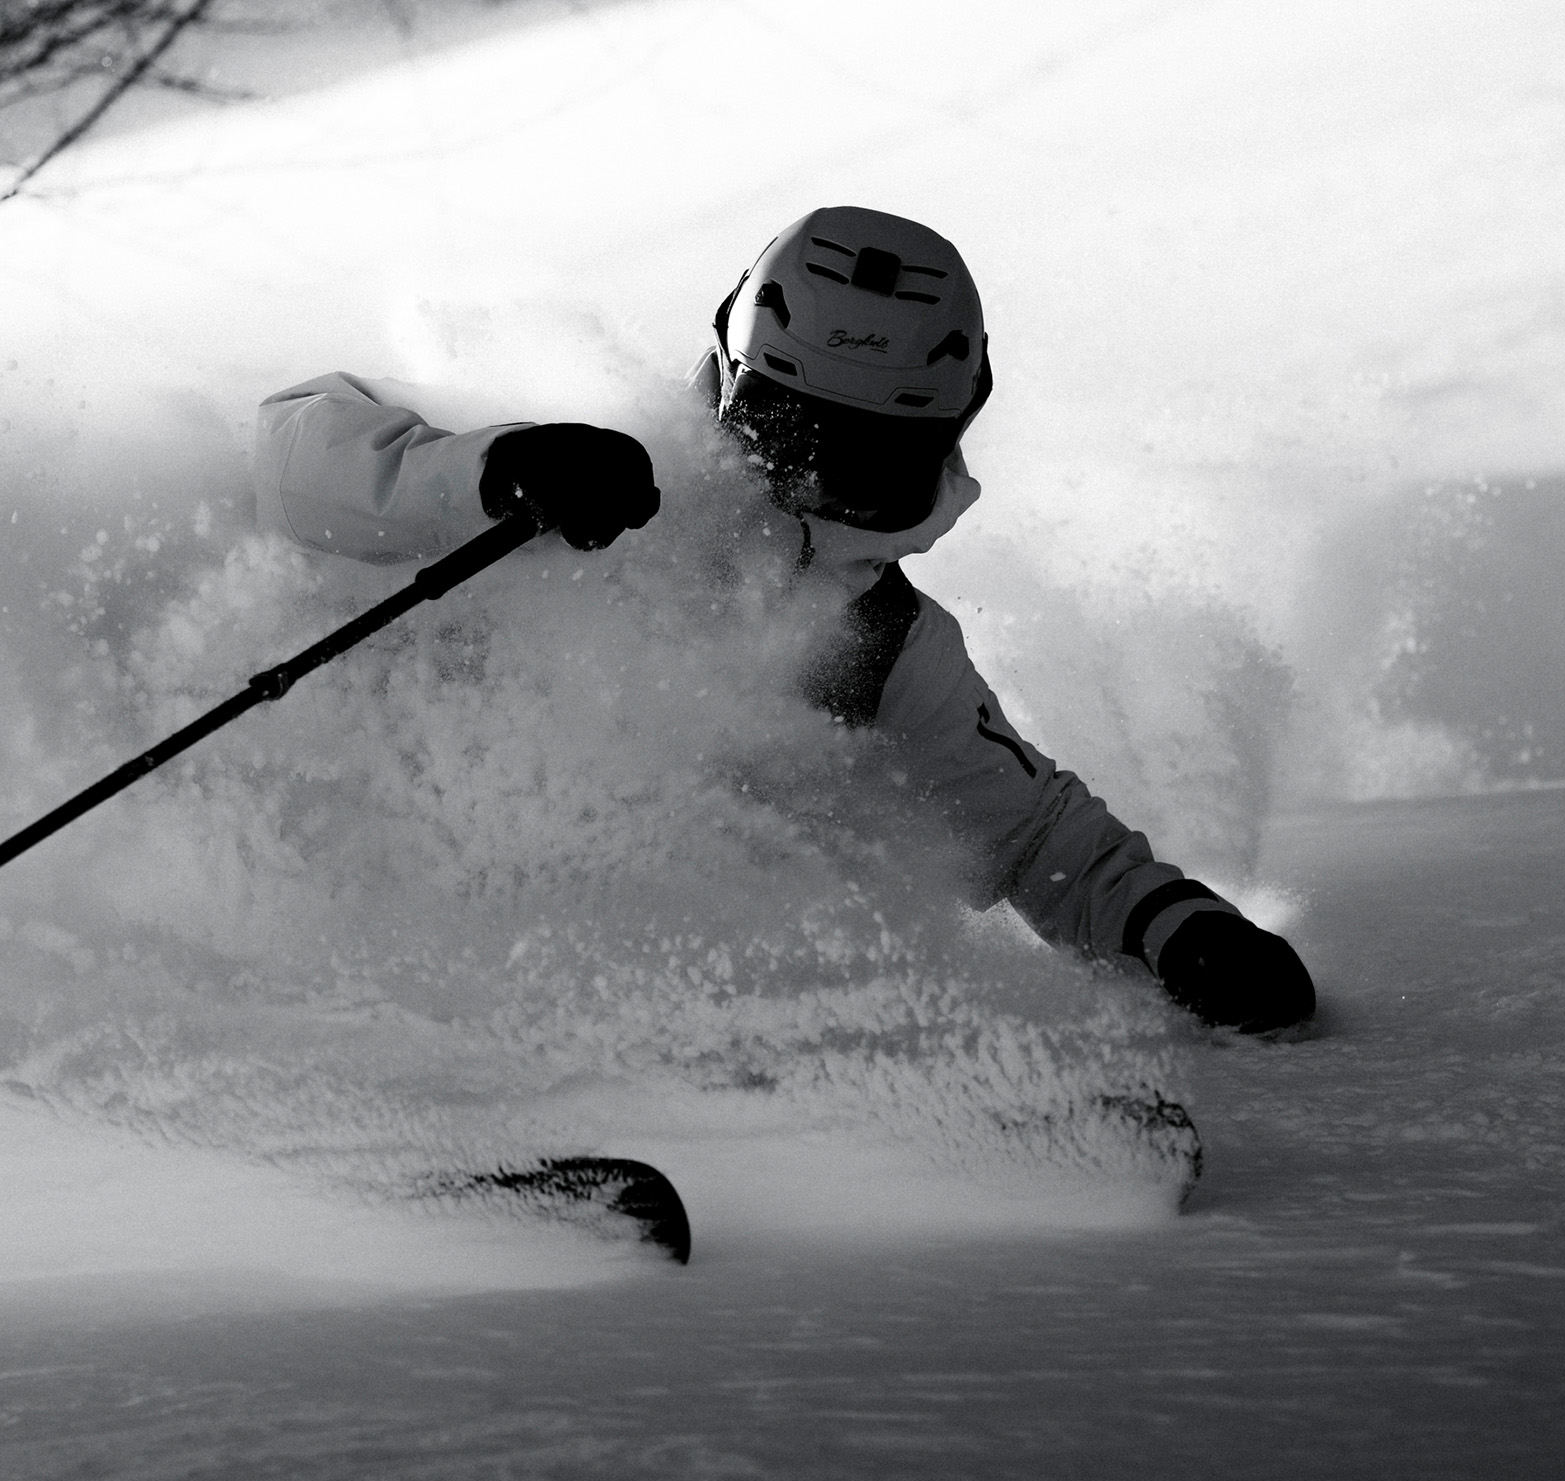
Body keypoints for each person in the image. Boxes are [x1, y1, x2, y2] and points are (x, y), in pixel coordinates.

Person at [240, 205, 1317, 1037]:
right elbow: (292, 455)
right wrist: (490, 471)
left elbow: (1034, 840)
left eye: (864, 461)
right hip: (317, 878)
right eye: (782, 433)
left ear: (939, 446)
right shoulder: (588, 467)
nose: (809, 485)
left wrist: (1183, 933)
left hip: (547, 969)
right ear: (727, 387)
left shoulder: (885, 646)